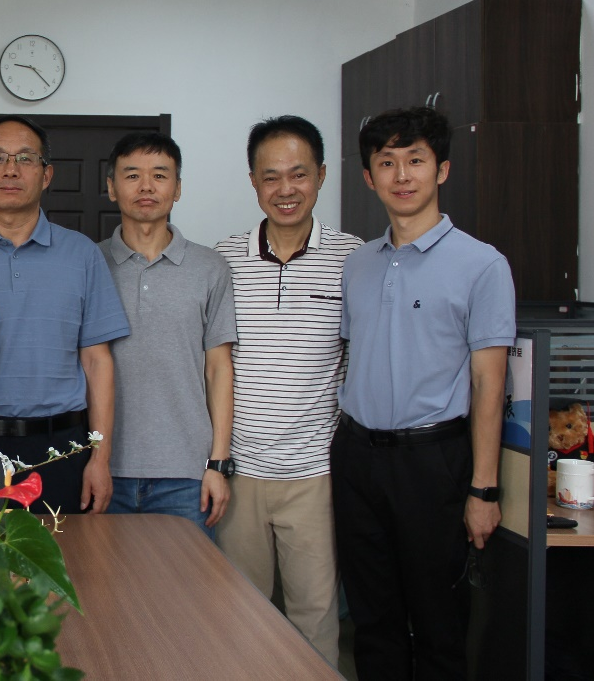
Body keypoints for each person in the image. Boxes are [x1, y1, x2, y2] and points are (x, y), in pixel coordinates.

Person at [334, 106, 514, 679]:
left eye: (415, 160)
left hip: (433, 461)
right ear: (369, 177)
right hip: (356, 457)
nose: (402, 175)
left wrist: (483, 489)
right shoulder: (357, 264)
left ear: (442, 170)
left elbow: (489, 383)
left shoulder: (482, 265)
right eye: (387, 162)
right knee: (372, 619)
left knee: (439, 622)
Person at [0, 115, 130, 514]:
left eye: (26, 158)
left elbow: (97, 361)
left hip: (62, 449)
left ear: (46, 175)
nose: (11, 169)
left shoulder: (82, 255)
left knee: (66, 552)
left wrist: (100, 459)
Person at [213, 116, 362, 663]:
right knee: (237, 615)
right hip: (238, 473)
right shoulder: (222, 260)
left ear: (320, 175)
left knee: (315, 618)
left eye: (298, 174)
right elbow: (211, 364)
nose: (285, 189)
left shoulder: (354, 259)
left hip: (315, 474)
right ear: (253, 181)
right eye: (270, 176)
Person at [99, 131, 236, 538]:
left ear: (177, 189)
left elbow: (218, 368)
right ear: (111, 187)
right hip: (102, 469)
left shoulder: (210, 267)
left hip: (187, 475)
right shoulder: (88, 263)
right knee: (100, 578)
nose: (146, 187)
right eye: (132, 175)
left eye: (159, 175)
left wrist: (218, 464)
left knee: (187, 581)